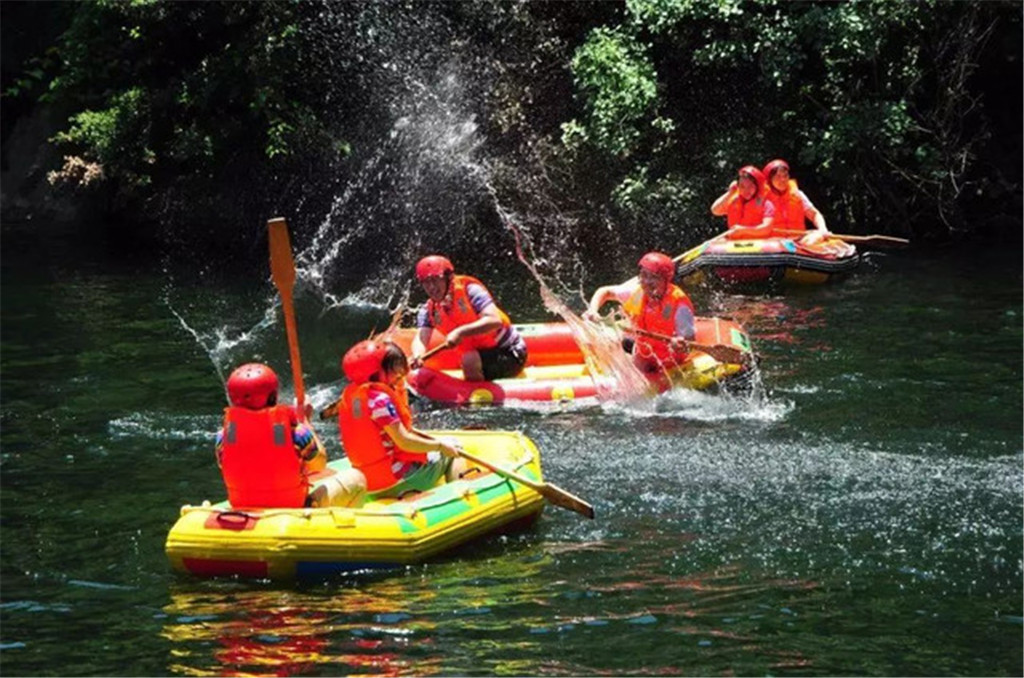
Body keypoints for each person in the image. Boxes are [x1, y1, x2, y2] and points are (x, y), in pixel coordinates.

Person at [337, 339, 467, 498]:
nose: (398, 378)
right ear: (378, 372)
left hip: (368, 483)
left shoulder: (350, 397)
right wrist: (440, 446)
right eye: (393, 372)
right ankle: (462, 495)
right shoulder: (380, 401)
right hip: (397, 481)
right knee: (454, 446)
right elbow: (404, 441)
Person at [215, 363, 328, 509]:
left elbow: (225, 465)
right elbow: (320, 464)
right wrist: (305, 421)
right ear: (273, 396)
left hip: (243, 508)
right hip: (291, 508)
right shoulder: (296, 431)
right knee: (356, 480)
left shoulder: (223, 435)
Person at [410, 255, 527, 382]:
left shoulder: (471, 291)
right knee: (468, 358)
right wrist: (418, 355)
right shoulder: (428, 310)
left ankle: (479, 399)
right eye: (426, 282)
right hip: (480, 355)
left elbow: (494, 320)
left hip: (509, 353)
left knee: (469, 360)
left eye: (435, 280)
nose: (431, 287)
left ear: (448, 277)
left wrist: (460, 332)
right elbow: (421, 338)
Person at [583, 252, 697, 375]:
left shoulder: (680, 305)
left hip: (671, 359)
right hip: (643, 352)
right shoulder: (635, 291)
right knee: (624, 349)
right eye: (643, 275)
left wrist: (680, 344)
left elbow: (690, 342)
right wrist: (593, 310)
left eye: (654, 277)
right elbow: (604, 291)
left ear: (666, 280)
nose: (647, 282)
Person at [762, 158, 830, 244]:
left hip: (797, 240)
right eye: (778, 177)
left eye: (785, 176)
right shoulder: (762, 199)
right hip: (772, 242)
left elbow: (814, 214)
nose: (782, 180)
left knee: (816, 236)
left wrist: (822, 229)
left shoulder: (797, 194)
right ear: (769, 180)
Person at [710, 165, 775, 236]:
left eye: (750, 186)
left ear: (757, 187)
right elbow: (715, 210)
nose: (746, 190)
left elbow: (766, 228)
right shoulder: (733, 200)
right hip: (736, 244)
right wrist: (730, 193)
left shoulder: (767, 204)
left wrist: (743, 230)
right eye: (742, 186)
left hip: (759, 244)